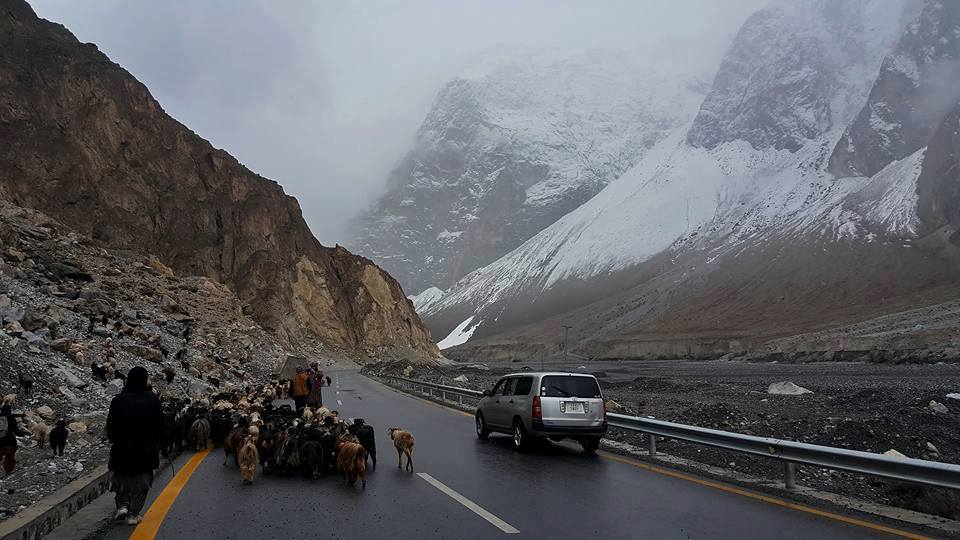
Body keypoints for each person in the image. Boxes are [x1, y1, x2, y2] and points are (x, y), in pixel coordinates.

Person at [106, 366, 164, 525]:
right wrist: (159, 443)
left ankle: (122, 506)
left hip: (122, 448)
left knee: (121, 477)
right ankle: (133, 514)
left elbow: (111, 425)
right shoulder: (152, 400)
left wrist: (115, 440)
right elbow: (160, 424)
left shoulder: (118, 400)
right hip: (145, 449)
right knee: (142, 481)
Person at [0, 404, 28, 477]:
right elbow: (16, 431)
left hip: (0, 442)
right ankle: (8, 473)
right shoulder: (11, 418)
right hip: (10, 442)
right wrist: (24, 434)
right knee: (9, 459)